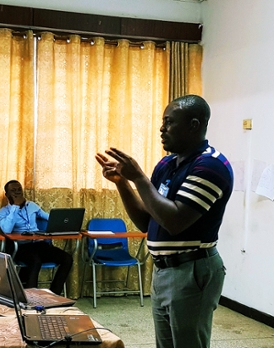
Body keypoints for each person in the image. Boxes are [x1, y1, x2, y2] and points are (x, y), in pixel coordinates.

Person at [95, 95, 233, 348]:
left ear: (193, 125)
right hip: (165, 270)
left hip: (191, 270)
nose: (162, 128)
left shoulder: (210, 166)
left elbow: (175, 221)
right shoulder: (167, 164)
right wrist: (122, 183)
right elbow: (147, 222)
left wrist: (138, 178)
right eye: (163, 121)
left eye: (169, 122)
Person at [0, 180, 73, 295]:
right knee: (35, 261)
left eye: (19, 189)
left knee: (67, 259)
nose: (18, 193)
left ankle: (54, 294)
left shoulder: (32, 206)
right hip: (20, 247)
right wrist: (15, 206)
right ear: (7, 195)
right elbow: (7, 230)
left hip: (39, 245)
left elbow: (50, 218)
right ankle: (30, 297)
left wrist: (67, 224)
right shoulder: (4, 212)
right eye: (13, 191)